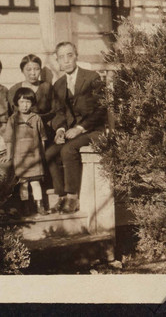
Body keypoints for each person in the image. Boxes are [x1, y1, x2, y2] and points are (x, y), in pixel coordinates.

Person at [49, 42, 107, 213]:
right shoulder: (58, 85)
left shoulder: (91, 78)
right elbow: (58, 112)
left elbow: (101, 109)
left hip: (94, 130)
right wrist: (60, 130)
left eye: (69, 55)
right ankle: (61, 196)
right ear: (57, 60)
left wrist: (80, 128)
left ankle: (72, 197)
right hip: (70, 131)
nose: (66, 60)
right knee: (50, 153)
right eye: (61, 57)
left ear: (76, 56)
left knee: (68, 150)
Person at [1, 87, 48, 216]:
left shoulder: (36, 118)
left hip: (34, 156)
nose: (25, 105)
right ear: (16, 103)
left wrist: (42, 154)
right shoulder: (13, 119)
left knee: (35, 182)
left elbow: (42, 138)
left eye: (28, 102)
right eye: (21, 102)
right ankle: (26, 206)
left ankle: (40, 205)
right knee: (23, 183)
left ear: (32, 103)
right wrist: (9, 154)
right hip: (19, 157)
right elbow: (9, 139)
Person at [7, 54, 54, 126]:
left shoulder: (47, 88)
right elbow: (11, 113)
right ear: (22, 71)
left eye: (36, 69)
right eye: (28, 69)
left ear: (40, 70)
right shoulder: (14, 90)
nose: (33, 73)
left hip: (44, 129)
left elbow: (55, 111)